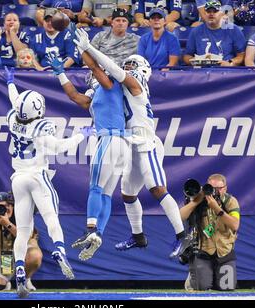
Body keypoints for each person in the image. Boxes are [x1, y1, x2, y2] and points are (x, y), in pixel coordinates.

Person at [72, 28, 189, 257]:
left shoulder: (137, 87)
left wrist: (90, 48)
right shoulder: (120, 89)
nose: (126, 69)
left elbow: (112, 70)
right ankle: (138, 236)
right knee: (127, 194)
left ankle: (182, 236)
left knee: (156, 188)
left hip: (145, 142)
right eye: (126, 66)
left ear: (142, 70)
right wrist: (84, 55)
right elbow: (100, 74)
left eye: (130, 66)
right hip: (128, 143)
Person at [3, 66, 92, 298]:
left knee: (23, 230)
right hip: (37, 175)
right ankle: (60, 250)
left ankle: (20, 269)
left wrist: (10, 82)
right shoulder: (42, 125)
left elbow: (15, 101)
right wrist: (83, 134)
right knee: (51, 217)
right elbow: (58, 147)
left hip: (18, 178)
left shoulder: (13, 117)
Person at [47, 47, 129, 261]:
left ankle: (90, 229)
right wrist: (60, 73)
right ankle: (98, 233)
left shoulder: (109, 83)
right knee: (106, 194)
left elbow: (94, 68)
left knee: (95, 187)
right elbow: (75, 96)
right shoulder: (98, 95)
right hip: (121, 144)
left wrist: (83, 47)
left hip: (109, 138)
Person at [179, 174, 240, 291]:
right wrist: (196, 201)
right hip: (203, 251)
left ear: (225, 188)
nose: (215, 192)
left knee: (226, 288)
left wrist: (217, 208)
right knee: (201, 287)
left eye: (219, 189)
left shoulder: (230, 201)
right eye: (212, 188)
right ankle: (193, 279)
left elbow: (235, 225)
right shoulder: (199, 200)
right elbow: (180, 217)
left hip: (224, 251)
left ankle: (202, 275)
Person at [0, 191, 42, 291]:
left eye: (8, 205)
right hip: (5, 257)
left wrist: (7, 223)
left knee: (35, 255)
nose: (6, 208)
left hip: (23, 255)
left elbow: (26, 238)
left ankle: (26, 278)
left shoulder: (22, 217)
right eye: (1, 206)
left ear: (14, 206)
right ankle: (6, 281)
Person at [183, 1, 246, 67]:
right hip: (202, 71)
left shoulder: (233, 30)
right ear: (204, 13)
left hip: (226, 71)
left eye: (215, 11)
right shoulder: (196, 31)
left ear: (222, 13)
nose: (211, 14)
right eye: (208, 11)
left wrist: (230, 63)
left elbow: (242, 55)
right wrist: (195, 61)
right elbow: (187, 56)